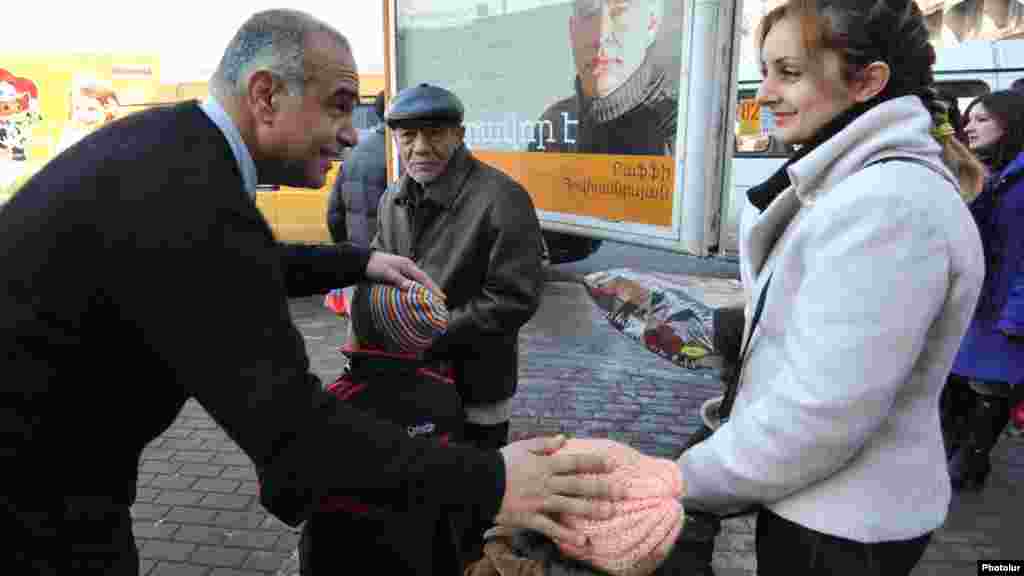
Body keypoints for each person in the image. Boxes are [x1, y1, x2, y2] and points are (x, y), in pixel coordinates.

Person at [0, 10, 623, 574]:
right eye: (339, 106)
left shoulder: (174, 155)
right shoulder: (191, 197)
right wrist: (493, 480)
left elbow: (241, 263)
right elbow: (299, 442)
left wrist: (361, 262)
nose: (355, 136)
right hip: (35, 509)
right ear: (266, 95)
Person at [675, 1, 986, 574]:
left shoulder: (888, 205)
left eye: (788, 73)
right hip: (828, 507)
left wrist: (683, 479)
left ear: (868, 82)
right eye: (765, 71)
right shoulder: (865, 186)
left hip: (840, 523)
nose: (765, 93)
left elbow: (821, 415)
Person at [373, 82, 546, 561]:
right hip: (414, 380)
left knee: (477, 503)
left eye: (434, 133)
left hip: (477, 385)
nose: (420, 147)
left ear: (459, 134)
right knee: (427, 493)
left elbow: (515, 298)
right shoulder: (394, 197)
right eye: (407, 136)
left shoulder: (502, 197)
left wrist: (430, 332)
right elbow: (380, 263)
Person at [942, 90, 1024, 492]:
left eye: (982, 120)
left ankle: (968, 469)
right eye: (968, 119)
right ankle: (956, 465)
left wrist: (1016, 317)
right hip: (979, 305)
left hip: (1006, 311)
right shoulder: (989, 172)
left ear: (1009, 124)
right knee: (959, 389)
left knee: (988, 394)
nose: (969, 126)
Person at [327, 90, 387, 247]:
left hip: (361, 257)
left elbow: (334, 215)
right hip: (390, 259)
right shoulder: (400, 154)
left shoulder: (354, 154)